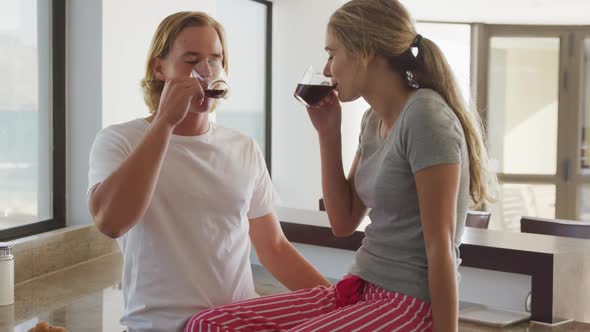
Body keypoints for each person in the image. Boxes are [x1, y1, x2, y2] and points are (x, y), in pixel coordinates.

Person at [184, 0, 496, 331]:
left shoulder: (426, 117)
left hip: (409, 301)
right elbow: (343, 221)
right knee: (208, 324)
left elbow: (442, 246)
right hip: (360, 285)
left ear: (364, 51)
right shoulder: (372, 119)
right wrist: (328, 134)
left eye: (332, 53)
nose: (328, 69)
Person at [87, 11, 330, 332]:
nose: (206, 70)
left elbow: (273, 247)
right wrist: (164, 123)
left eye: (215, 59)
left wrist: (340, 301)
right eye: (191, 60)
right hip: (158, 326)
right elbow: (111, 222)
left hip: (239, 322)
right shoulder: (119, 140)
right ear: (159, 68)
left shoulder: (243, 146)